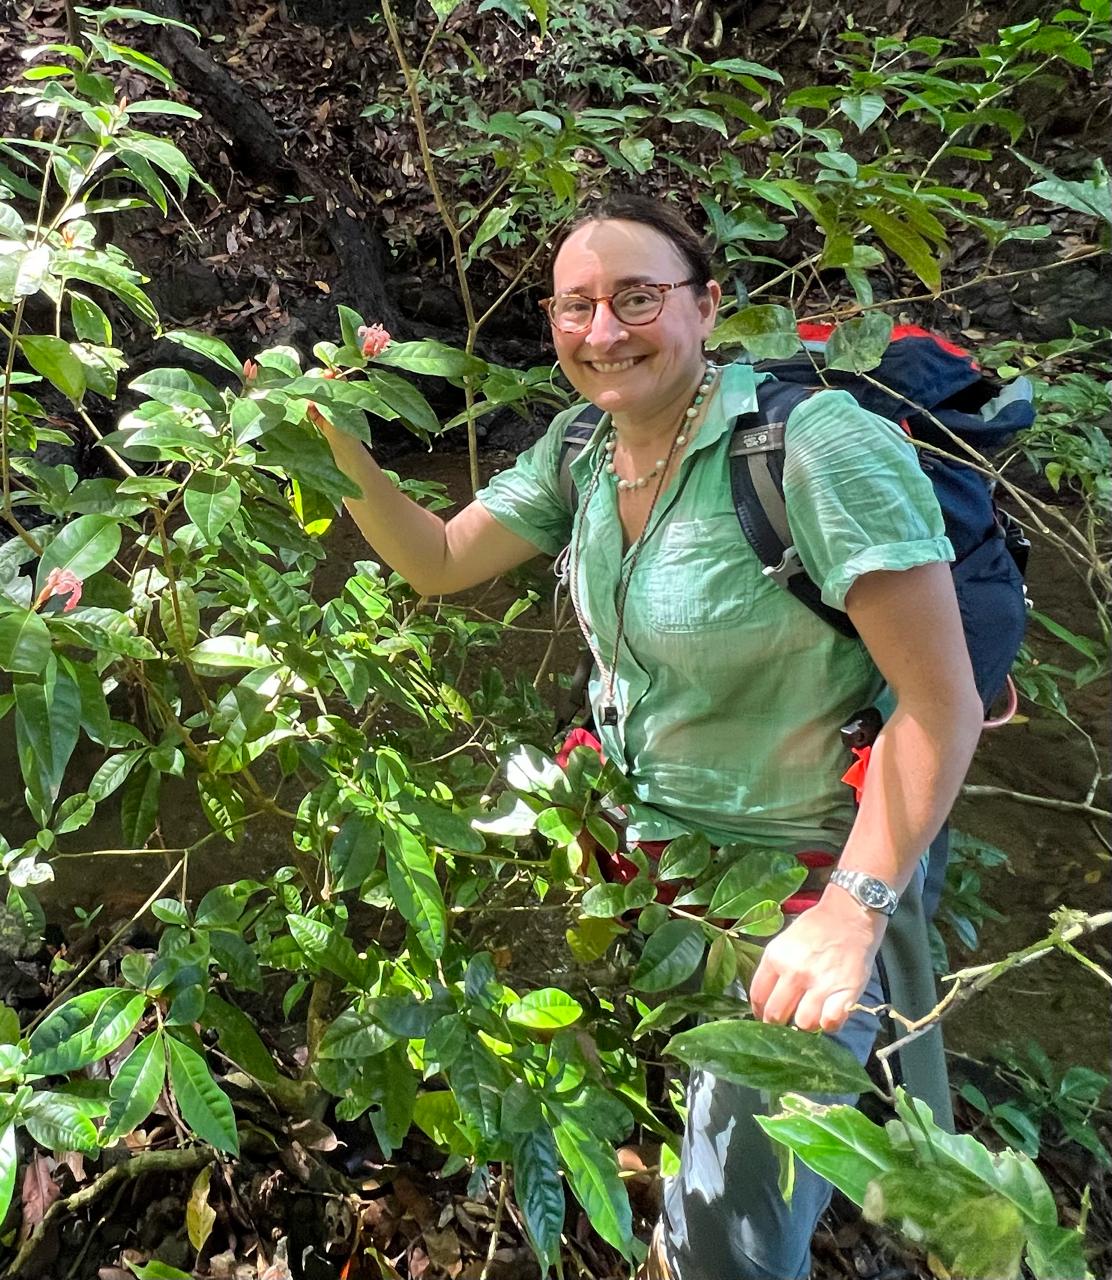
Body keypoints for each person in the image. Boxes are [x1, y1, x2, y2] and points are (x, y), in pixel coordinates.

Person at [316, 193, 984, 1280]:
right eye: (576, 305)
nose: (602, 329)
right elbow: (436, 558)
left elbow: (938, 704)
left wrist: (848, 917)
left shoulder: (810, 449)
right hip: (673, 867)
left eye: (636, 297)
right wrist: (328, 432)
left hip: (816, 870)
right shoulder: (586, 445)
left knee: (737, 1227)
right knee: (708, 1144)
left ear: (705, 305)